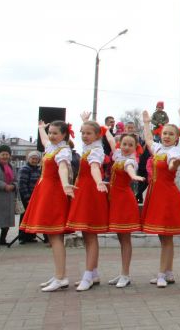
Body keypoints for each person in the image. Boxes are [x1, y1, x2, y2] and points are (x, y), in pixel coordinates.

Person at [20, 120, 74, 292]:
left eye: (55, 133)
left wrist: (65, 184)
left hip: (53, 194)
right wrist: (41, 129)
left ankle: (61, 277)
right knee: (52, 237)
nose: (51, 136)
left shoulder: (63, 151)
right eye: (50, 133)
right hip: (45, 191)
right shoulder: (51, 147)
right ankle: (60, 274)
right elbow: (44, 141)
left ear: (64, 135)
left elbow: (63, 168)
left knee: (55, 236)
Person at [140, 110, 180, 288]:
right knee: (164, 237)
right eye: (165, 133)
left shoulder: (174, 151)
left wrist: (175, 164)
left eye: (171, 134)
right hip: (157, 193)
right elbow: (148, 141)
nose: (167, 136)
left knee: (166, 236)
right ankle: (168, 272)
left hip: (167, 195)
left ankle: (162, 273)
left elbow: (171, 165)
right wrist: (146, 123)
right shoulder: (159, 147)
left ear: (177, 138)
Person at [66, 115, 109, 291]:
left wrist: (99, 181)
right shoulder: (88, 148)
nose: (84, 136)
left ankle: (88, 274)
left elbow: (94, 167)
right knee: (86, 234)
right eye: (82, 132)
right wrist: (85, 120)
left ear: (98, 135)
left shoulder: (97, 151)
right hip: (83, 189)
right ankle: (93, 273)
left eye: (88, 133)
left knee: (90, 234)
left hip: (91, 191)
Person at [106, 133, 145, 288]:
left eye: (130, 145)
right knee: (121, 238)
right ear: (119, 145)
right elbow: (109, 140)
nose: (127, 147)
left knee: (125, 238)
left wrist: (134, 176)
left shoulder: (130, 161)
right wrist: (106, 129)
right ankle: (122, 273)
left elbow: (129, 169)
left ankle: (125, 274)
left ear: (135, 147)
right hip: (115, 199)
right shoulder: (117, 156)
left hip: (124, 201)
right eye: (124, 144)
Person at [17, 151, 42, 243]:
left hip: (36, 196)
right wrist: (27, 197)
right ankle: (22, 236)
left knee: (33, 216)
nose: (34, 160)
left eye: (36, 159)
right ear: (29, 159)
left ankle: (31, 236)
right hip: (27, 196)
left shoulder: (38, 169)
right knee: (24, 217)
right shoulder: (25, 169)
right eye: (33, 158)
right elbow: (22, 184)